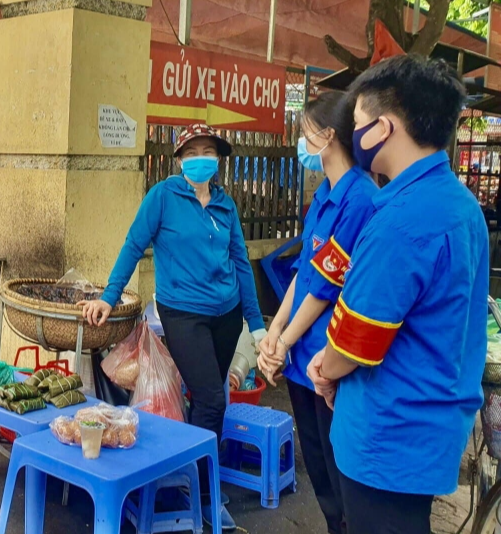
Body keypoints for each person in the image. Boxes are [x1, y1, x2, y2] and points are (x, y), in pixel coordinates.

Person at [304, 55, 487, 534]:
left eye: (359, 122)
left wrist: (323, 368)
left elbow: (353, 343)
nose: (354, 132)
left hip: (386, 437)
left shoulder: (402, 222)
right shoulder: (459, 204)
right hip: (427, 432)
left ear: (383, 127)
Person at [79, 123, 267, 531]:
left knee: (208, 401)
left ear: (217, 159)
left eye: (209, 151)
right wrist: (109, 298)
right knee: (213, 401)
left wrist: (256, 325)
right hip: (183, 313)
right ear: (180, 159)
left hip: (227, 314)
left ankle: (197, 481)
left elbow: (240, 262)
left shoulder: (225, 205)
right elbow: (133, 244)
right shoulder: (162, 197)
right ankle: (204, 495)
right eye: (193, 151)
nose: (202, 157)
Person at [255, 91, 378, 534]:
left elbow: (326, 289)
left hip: (329, 359)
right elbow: (303, 275)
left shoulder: (360, 199)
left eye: (305, 133)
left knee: (338, 468)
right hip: (300, 358)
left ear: (328, 136)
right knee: (320, 474)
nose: (301, 142)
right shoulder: (324, 194)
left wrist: (283, 342)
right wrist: (274, 335)